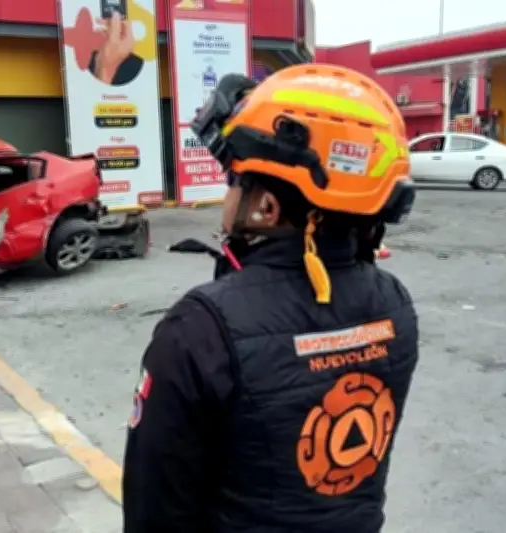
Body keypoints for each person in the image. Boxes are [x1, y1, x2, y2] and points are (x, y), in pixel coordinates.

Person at [122, 65, 419, 533]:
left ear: (267, 206)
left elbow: (155, 511)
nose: (226, 197)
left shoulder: (200, 329)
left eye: (233, 180)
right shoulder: (395, 303)